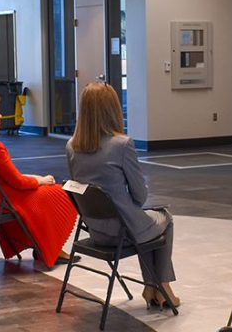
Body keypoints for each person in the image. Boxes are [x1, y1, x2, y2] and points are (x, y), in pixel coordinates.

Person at [66, 82, 180, 308]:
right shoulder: (122, 145)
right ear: (113, 109)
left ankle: (151, 287)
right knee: (164, 218)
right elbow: (139, 195)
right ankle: (162, 286)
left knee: (144, 224)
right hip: (124, 232)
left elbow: (80, 188)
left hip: (96, 231)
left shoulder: (72, 146)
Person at [0, 88, 78, 267]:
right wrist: (40, 180)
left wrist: (34, 179)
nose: (0, 116)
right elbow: (18, 182)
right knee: (61, 192)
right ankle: (50, 248)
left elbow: (4, 176)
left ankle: (44, 245)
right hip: (6, 200)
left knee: (47, 190)